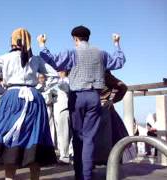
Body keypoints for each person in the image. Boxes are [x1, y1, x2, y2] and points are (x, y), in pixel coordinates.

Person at [38, 26, 126, 180]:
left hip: (77, 97)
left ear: (75, 38)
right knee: (90, 138)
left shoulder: (72, 52)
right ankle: (87, 175)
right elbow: (119, 62)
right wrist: (117, 43)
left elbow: (52, 61)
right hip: (94, 97)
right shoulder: (101, 53)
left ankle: (79, 174)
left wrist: (42, 44)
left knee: (78, 137)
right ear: (88, 37)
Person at [0, 28, 59, 180]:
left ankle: (9, 178)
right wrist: (40, 89)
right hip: (34, 99)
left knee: (9, 137)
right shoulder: (35, 59)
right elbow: (54, 76)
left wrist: (1, 91)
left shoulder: (4, 58)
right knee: (34, 136)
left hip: (12, 97)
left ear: (12, 41)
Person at [94, 71, 136, 165]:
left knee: (108, 141)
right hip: (93, 112)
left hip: (105, 112)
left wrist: (111, 100)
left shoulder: (104, 73)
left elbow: (122, 87)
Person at [52, 70, 72, 164]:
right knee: (61, 134)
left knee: (64, 134)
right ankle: (64, 154)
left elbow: (65, 88)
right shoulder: (57, 82)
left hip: (64, 109)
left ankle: (65, 157)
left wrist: (60, 80)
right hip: (57, 109)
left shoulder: (67, 80)